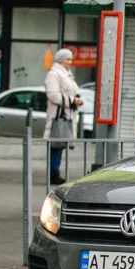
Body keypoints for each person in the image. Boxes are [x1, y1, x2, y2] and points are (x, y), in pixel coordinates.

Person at [43, 48, 82, 184]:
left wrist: (77, 100)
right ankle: (53, 173)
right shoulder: (54, 74)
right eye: (67, 59)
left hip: (67, 115)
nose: (70, 62)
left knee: (60, 145)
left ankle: (55, 172)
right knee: (55, 144)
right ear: (61, 60)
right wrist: (71, 101)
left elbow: (72, 91)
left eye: (71, 59)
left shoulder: (68, 75)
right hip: (58, 116)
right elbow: (53, 95)